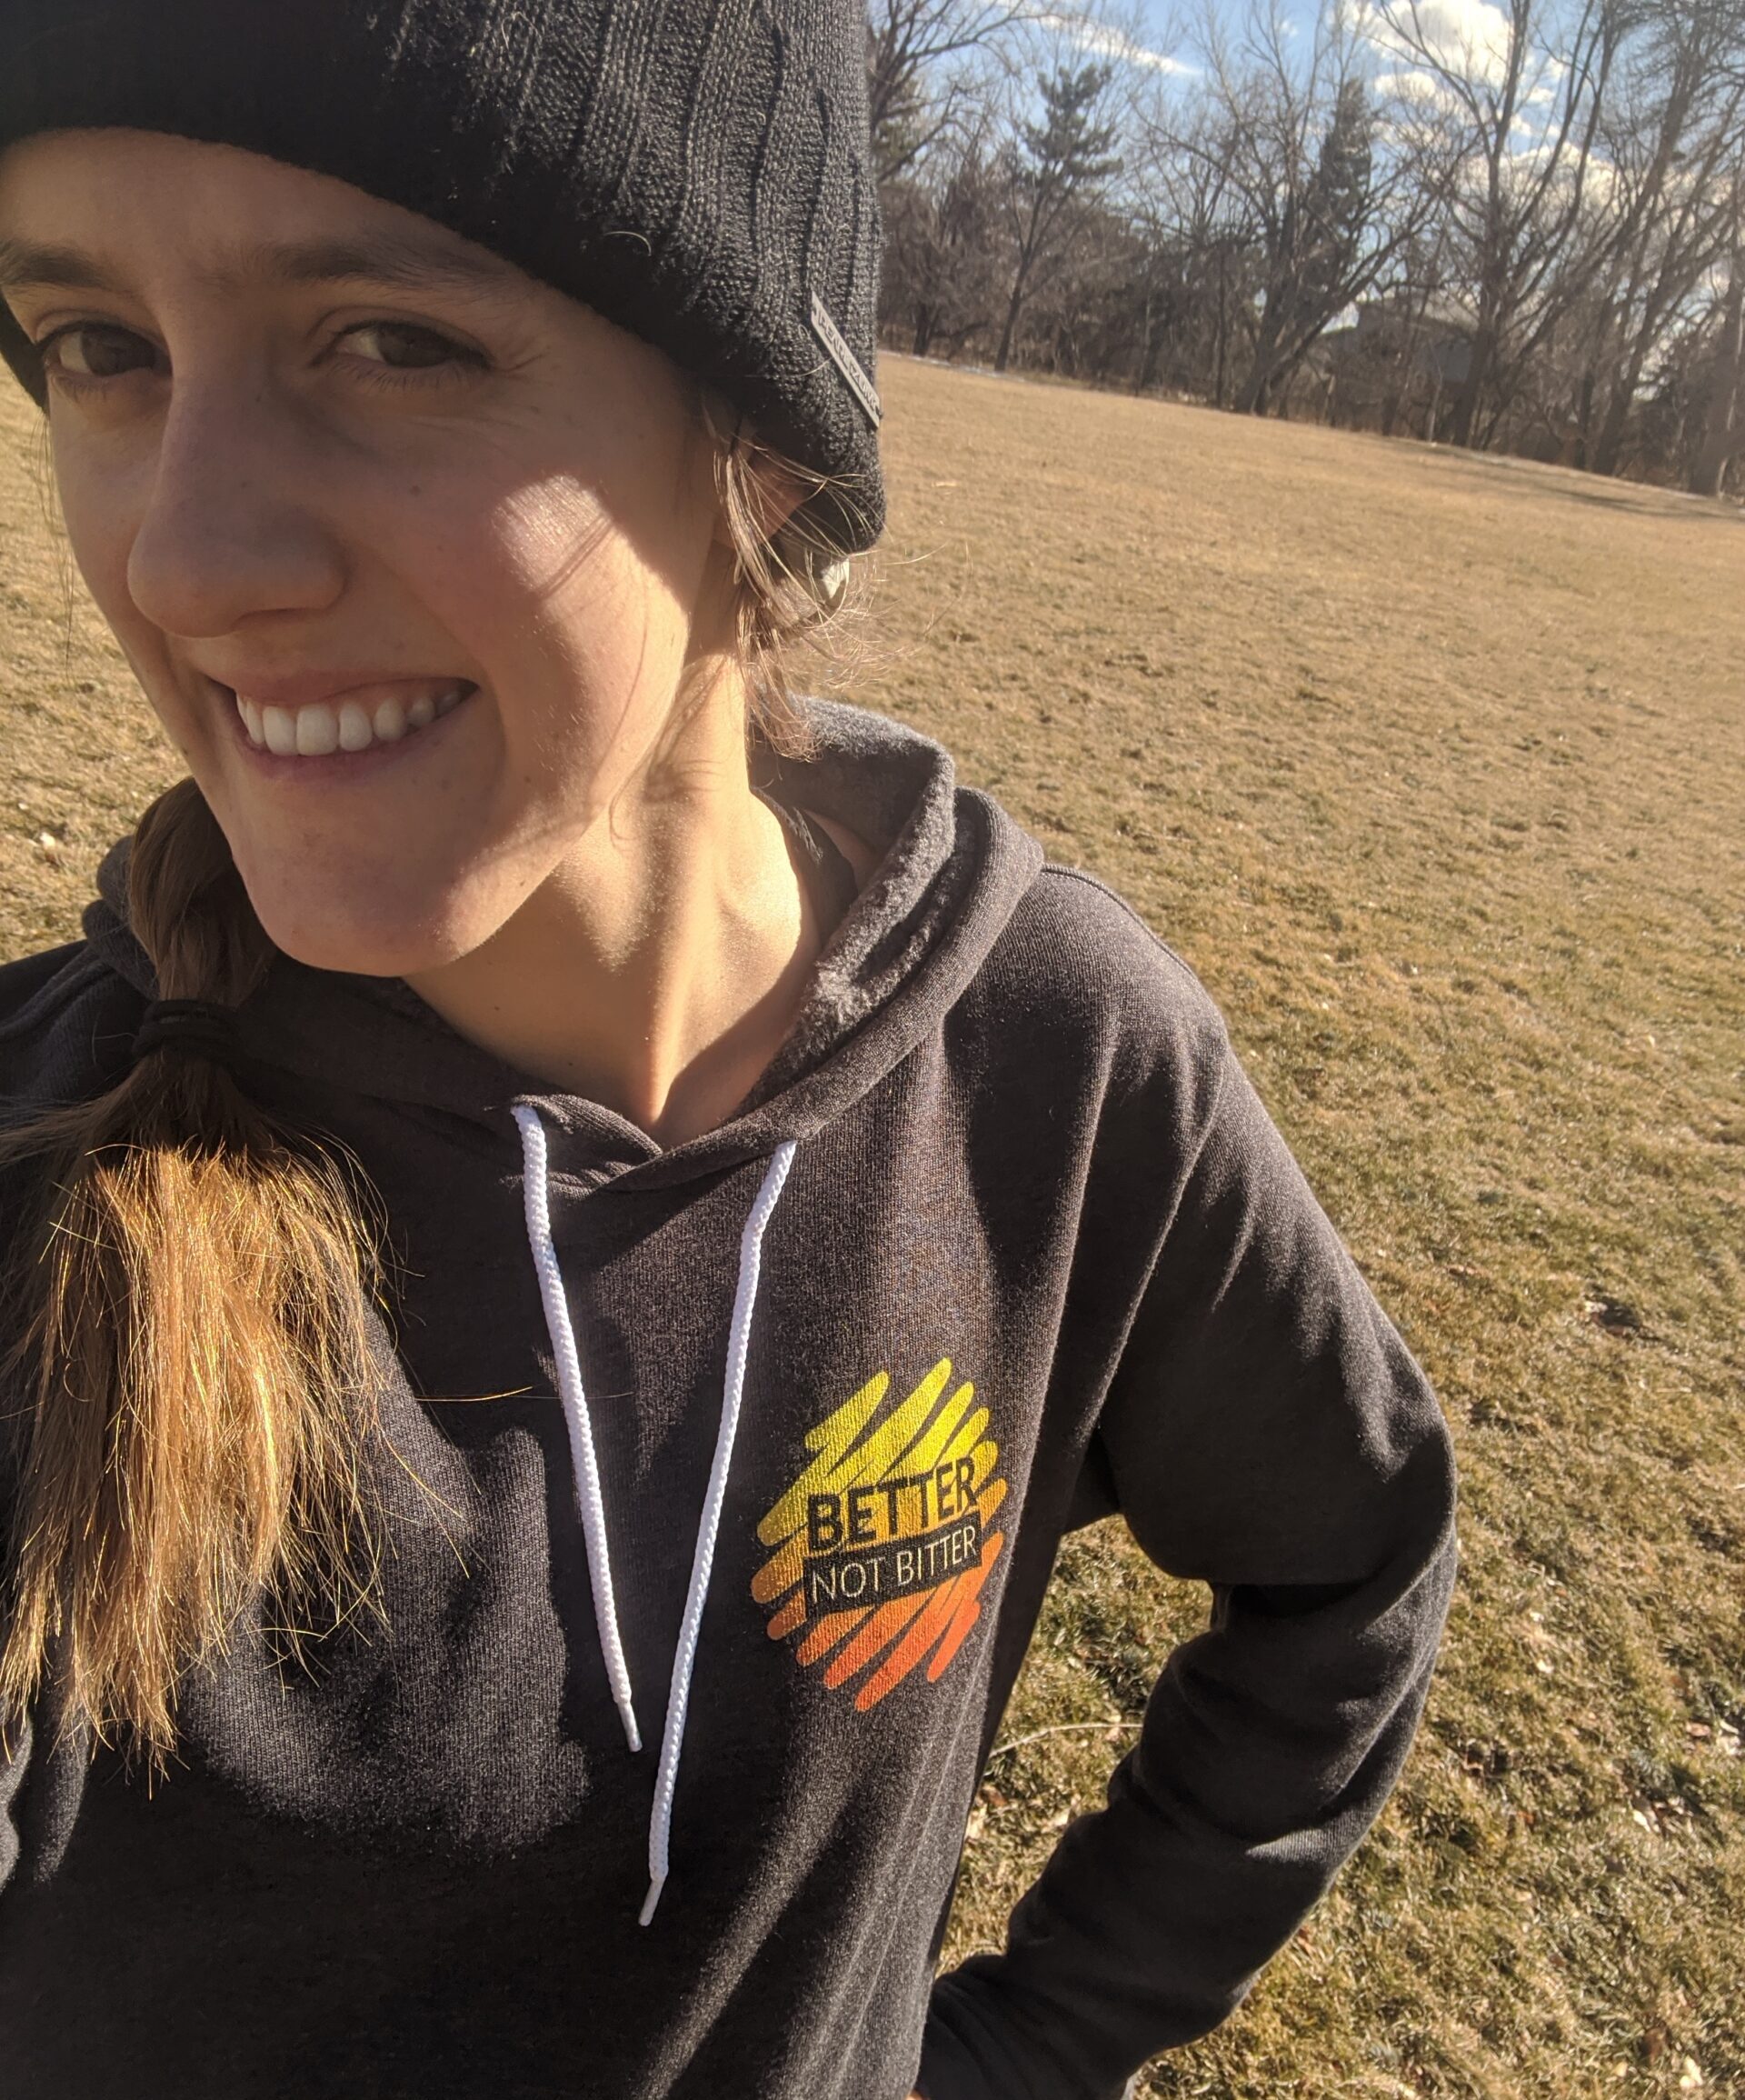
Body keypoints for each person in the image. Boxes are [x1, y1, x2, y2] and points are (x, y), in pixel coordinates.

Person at [0, 5, 1459, 2097]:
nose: (183, 557)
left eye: (391, 341)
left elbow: (1349, 1561)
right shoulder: (50, 1170)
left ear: (761, 450)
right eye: (97, 348)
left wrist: (1026, 2052)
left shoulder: (1054, 1065)